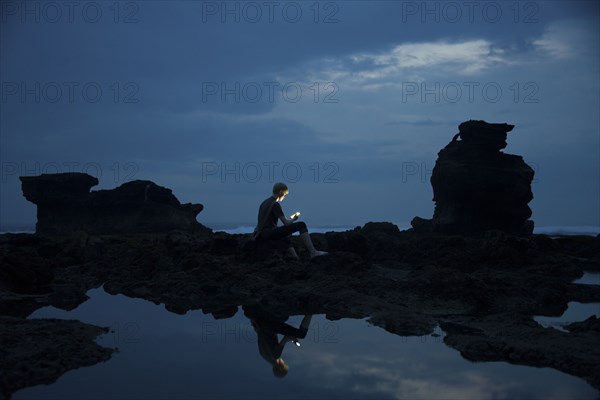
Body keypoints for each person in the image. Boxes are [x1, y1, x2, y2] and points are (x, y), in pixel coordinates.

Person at [253, 182, 327, 259]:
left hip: (261, 234)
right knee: (301, 224)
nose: (284, 196)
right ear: (281, 192)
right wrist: (294, 218)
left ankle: (295, 257)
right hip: (269, 233)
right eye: (285, 194)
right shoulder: (275, 204)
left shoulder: (265, 203)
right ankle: (313, 252)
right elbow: (286, 223)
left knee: (282, 234)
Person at [243, 305, 312, 378]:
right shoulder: (263, 354)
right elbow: (260, 335)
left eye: (285, 364)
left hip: (270, 326)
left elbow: (286, 338)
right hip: (261, 323)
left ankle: (310, 312)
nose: (283, 361)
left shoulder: (275, 356)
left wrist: (293, 340)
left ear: (281, 367)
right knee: (284, 317)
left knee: (301, 334)